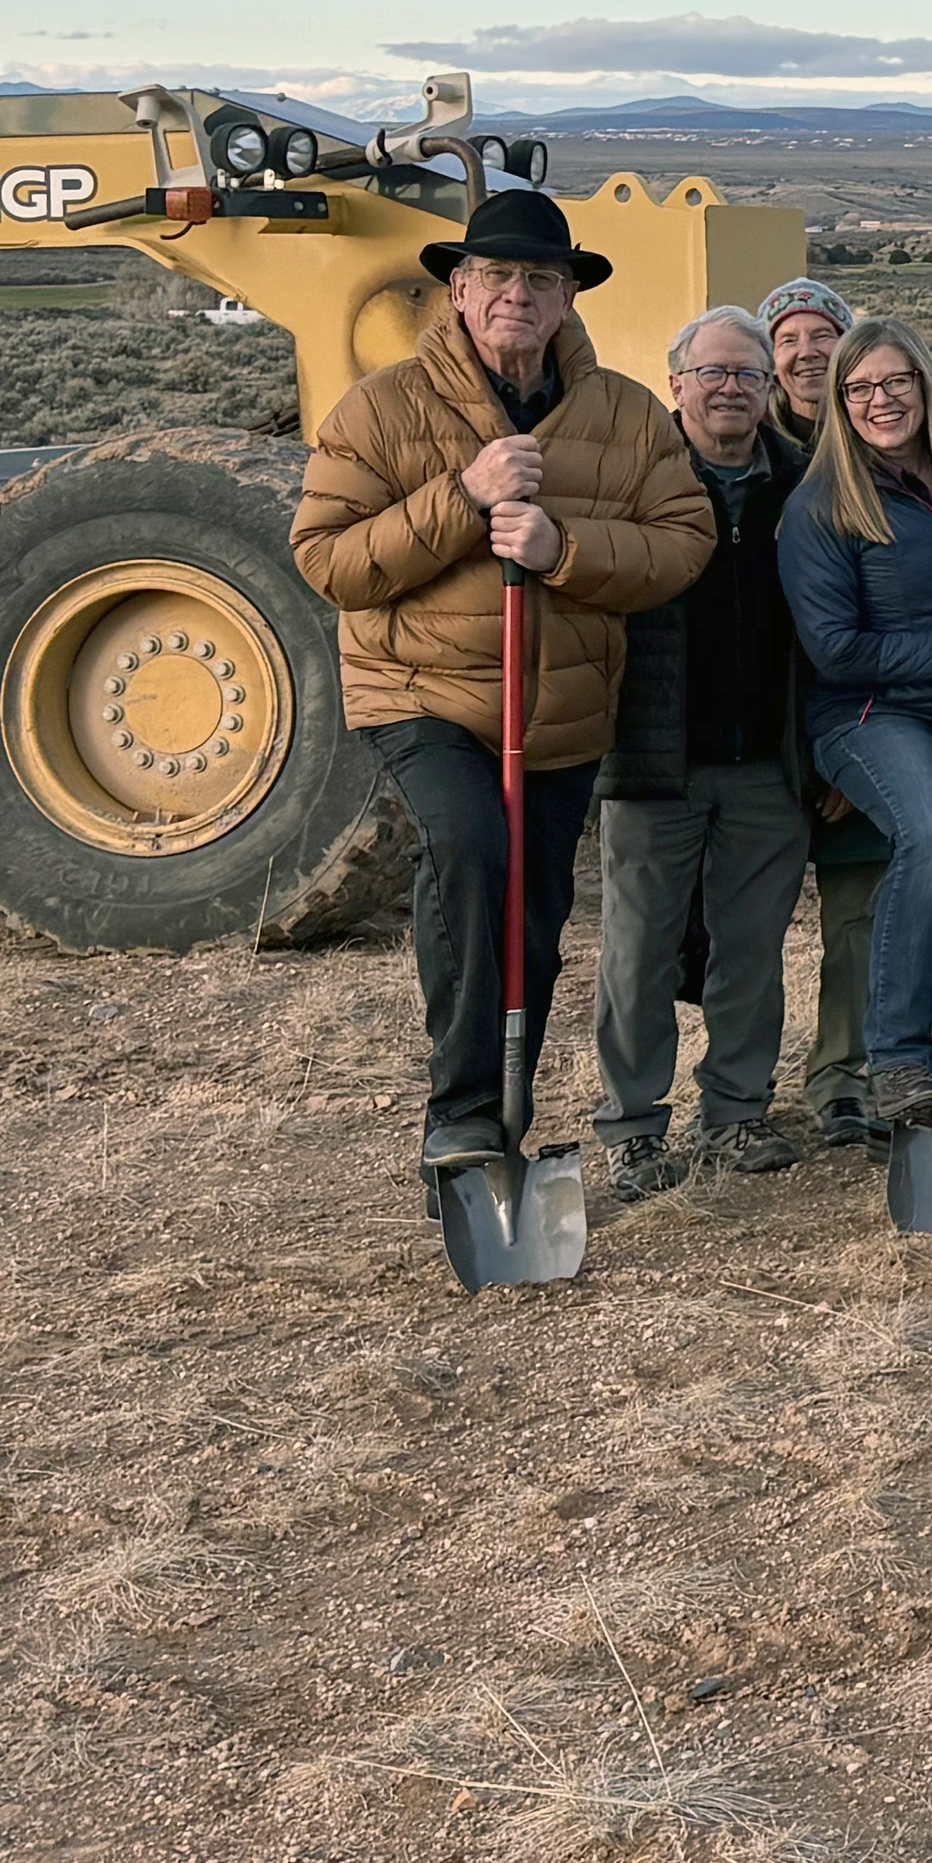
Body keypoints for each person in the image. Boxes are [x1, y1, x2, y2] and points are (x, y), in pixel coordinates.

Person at [292, 188, 715, 1192]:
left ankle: (512, 1103)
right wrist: (461, 497)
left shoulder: (623, 414)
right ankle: (464, 1115)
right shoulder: (382, 407)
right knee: (471, 855)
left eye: (540, 279)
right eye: (494, 277)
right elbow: (329, 562)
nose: (515, 295)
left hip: (559, 708)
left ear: (569, 297)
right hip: (422, 691)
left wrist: (564, 548)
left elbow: (683, 542)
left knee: (531, 910)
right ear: (459, 289)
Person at [587, 304, 817, 1191]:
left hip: (769, 760)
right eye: (712, 372)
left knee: (751, 949)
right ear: (675, 383)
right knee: (638, 950)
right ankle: (634, 1125)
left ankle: (735, 1112)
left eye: (747, 375)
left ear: (769, 391)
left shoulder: (805, 485)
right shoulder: (633, 479)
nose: (729, 388)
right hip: (652, 757)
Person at [773, 319, 932, 1135]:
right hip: (870, 714)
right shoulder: (822, 505)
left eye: (896, 381)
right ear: (840, 402)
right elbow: (836, 649)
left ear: (926, 382)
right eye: (861, 388)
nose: (882, 400)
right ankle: (898, 1061)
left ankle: (901, 1065)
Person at [755, 274, 895, 1151]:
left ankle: (842, 1079)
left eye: (823, 335)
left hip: (860, 719)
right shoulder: (741, 456)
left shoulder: (889, 456)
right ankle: (736, 1090)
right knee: (747, 927)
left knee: (856, 920)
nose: (807, 352)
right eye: (787, 339)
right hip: (760, 735)